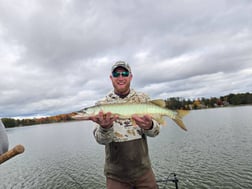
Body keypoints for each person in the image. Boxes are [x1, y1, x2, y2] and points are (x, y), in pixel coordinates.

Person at [89, 61, 160, 189]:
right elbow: (101, 140)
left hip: (143, 171)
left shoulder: (142, 99)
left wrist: (149, 126)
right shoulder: (102, 104)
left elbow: (155, 132)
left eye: (125, 73)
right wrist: (105, 128)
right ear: (111, 78)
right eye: (116, 74)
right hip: (115, 175)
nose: (121, 77)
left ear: (130, 77)